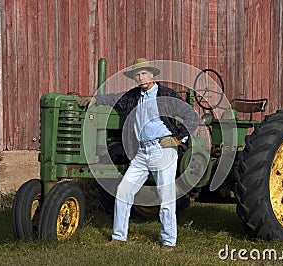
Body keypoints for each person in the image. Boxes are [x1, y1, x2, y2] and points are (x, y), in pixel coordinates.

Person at [77, 58, 199, 251]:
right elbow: (114, 98)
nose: (140, 78)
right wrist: (94, 99)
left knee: (165, 197)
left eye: (143, 74)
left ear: (152, 75)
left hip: (163, 150)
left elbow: (191, 116)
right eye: (137, 75)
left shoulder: (166, 94)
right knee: (123, 191)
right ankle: (119, 236)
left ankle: (169, 242)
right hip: (142, 152)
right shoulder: (134, 96)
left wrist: (178, 139)